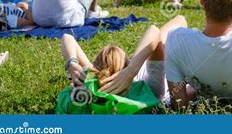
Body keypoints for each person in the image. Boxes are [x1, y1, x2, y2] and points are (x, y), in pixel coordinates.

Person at [60, 15, 188, 101]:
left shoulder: (95, 85)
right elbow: (155, 31)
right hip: (147, 59)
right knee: (180, 20)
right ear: (127, 61)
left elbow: (67, 37)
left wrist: (72, 64)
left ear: (96, 69)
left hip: (138, 61)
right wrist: (131, 70)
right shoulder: (151, 87)